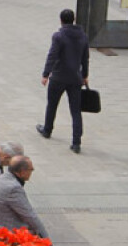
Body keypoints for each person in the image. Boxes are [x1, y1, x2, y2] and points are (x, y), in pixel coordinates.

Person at [38, 8, 90, 153]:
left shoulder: (59, 36)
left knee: (52, 105)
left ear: (61, 20)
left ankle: (47, 130)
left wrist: (46, 74)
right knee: (75, 111)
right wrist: (85, 75)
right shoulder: (83, 36)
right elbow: (85, 58)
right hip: (75, 78)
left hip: (59, 77)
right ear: (73, 20)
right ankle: (76, 142)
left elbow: (52, 55)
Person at [0, 156, 49, 239]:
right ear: (21, 172)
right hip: (3, 231)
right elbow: (30, 216)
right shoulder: (13, 188)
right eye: (31, 169)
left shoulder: (2, 178)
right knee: (34, 233)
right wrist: (46, 239)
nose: (32, 171)